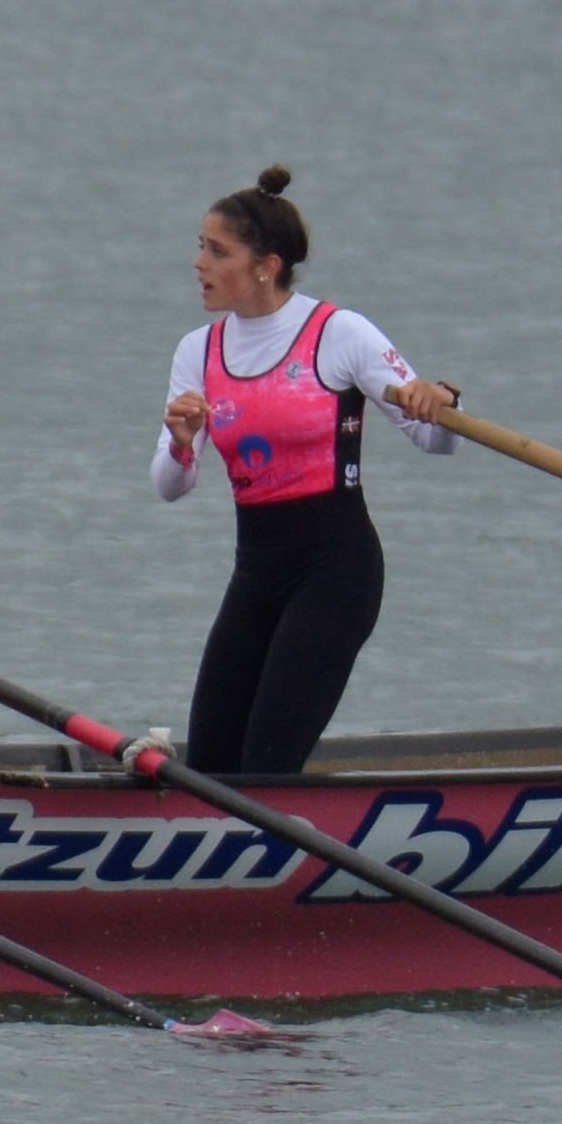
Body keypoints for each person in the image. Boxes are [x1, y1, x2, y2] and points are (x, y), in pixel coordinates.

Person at [157, 165, 457, 774]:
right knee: (210, 768)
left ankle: (273, 816)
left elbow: (435, 440)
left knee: (266, 766)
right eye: (201, 247)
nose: (199, 264)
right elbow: (170, 486)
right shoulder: (198, 351)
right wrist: (182, 443)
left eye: (218, 252)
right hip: (256, 575)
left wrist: (441, 401)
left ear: (266, 266)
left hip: (336, 574)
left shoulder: (339, 334)